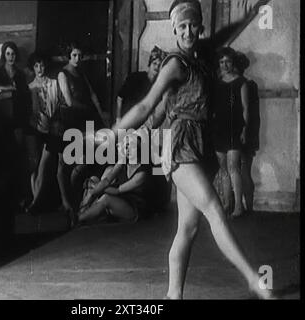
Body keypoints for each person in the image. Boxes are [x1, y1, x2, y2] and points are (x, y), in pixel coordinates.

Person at [111, 0, 274, 299]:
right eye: (182, 26)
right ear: (173, 28)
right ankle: (253, 280)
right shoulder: (174, 64)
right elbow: (149, 106)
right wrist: (116, 131)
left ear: (199, 26)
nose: (188, 31)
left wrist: (251, 12)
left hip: (201, 145)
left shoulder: (202, 56)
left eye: (192, 25)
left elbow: (227, 32)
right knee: (214, 210)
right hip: (180, 145)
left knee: (187, 229)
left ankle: (173, 295)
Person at [55, 42, 108, 216]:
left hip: (84, 120)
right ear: (69, 56)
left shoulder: (81, 73)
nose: (78, 59)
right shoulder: (63, 74)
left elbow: (92, 94)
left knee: (86, 159)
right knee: (64, 163)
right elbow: (69, 101)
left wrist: (100, 114)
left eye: (80, 55)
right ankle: (65, 201)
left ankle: (76, 199)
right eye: (74, 55)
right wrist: (89, 110)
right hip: (67, 120)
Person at [0, 41, 33, 209]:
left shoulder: (21, 75)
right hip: (1, 123)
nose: (10, 57)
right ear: (4, 55)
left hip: (16, 122)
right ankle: (3, 200)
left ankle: (18, 199)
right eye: (8, 54)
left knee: (17, 160)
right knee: (2, 161)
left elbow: (25, 101)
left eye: (13, 54)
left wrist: (22, 123)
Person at [76, 135, 151, 226]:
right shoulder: (122, 163)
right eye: (126, 146)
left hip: (134, 208)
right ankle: (82, 213)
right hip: (121, 199)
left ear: (139, 149)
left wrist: (95, 187)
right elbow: (107, 180)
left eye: (132, 146)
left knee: (105, 197)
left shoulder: (141, 174)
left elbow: (117, 191)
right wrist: (94, 190)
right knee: (94, 180)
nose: (127, 149)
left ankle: (78, 219)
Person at [212, 47, 250, 218]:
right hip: (219, 128)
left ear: (232, 62)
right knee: (223, 169)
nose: (224, 65)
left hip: (235, 128)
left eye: (227, 61)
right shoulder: (216, 83)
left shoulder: (241, 82)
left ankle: (238, 207)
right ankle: (227, 204)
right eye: (221, 62)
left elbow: (246, 108)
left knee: (233, 167)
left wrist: (245, 129)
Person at [26, 52, 60, 213]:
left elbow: (59, 104)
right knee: (35, 166)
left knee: (43, 167)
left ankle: (35, 204)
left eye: (42, 65)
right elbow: (30, 111)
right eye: (36, 66)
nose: (40, 68)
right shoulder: (30, 87)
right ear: (33, 68)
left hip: (51, 129)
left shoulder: (54, 84)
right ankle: (36, 202)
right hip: (35, 129)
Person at [115, 46, 167, 124]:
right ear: (149, 64)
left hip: (143, 125)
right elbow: (120, 98)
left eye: (159, 65)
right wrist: (118, 118)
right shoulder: (135, 77)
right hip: (127, 120)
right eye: (154, 63)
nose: (156, 67)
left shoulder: (159, 85)